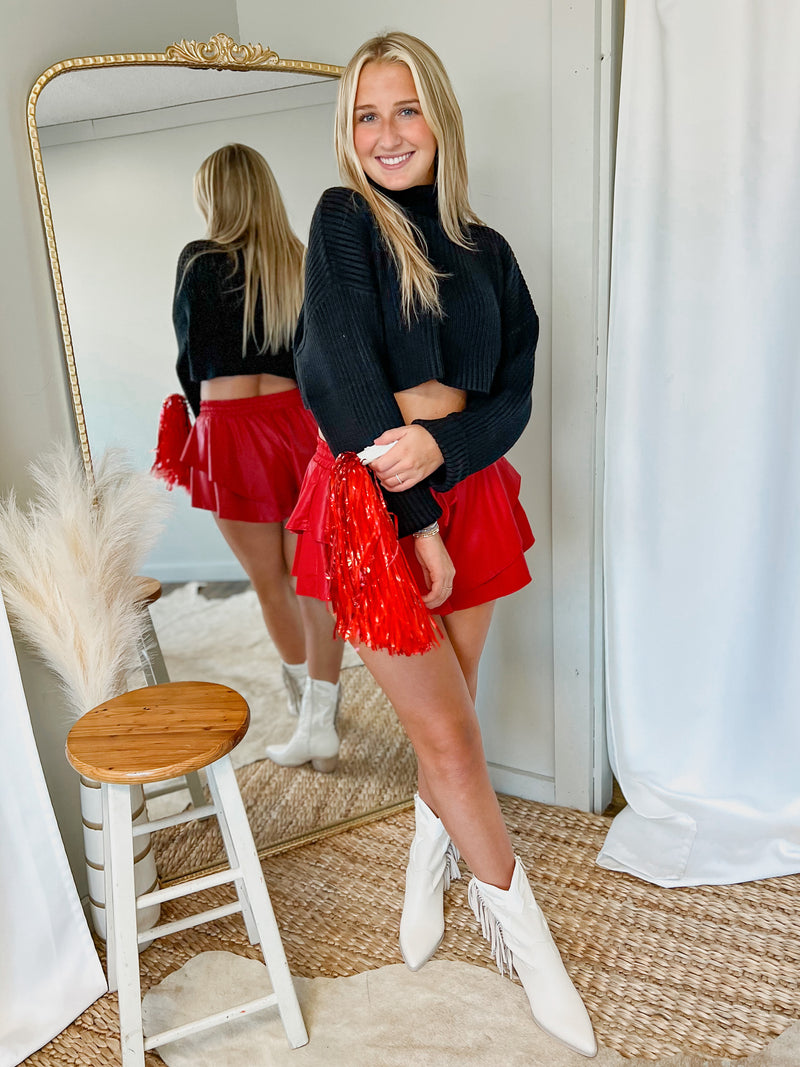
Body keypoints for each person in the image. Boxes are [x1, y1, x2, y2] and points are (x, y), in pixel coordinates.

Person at [287, 32, 597, 1059]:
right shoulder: (342, 220)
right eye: (365, 116)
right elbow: (336, 365)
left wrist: (445, 455)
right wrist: (412, 515)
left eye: (404, 110)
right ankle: (526, 940)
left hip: (471, 487)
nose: (385, 134)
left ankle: (430, 856)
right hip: (378, 506)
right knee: (455, 737)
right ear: (348, 133)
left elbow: (511, 395)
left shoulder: (487, 251)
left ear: (439, 120)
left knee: (445, 722)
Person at [173, 143, 344, 772]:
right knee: (313, 578)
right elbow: (319, 359)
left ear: (215, 196)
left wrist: (205, 418)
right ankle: (319, 722)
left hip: (229, 430)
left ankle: (307, 713)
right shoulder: (298, 262)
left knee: (269, 580)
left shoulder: (198, 259)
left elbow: (189, 359)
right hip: (297, 425)